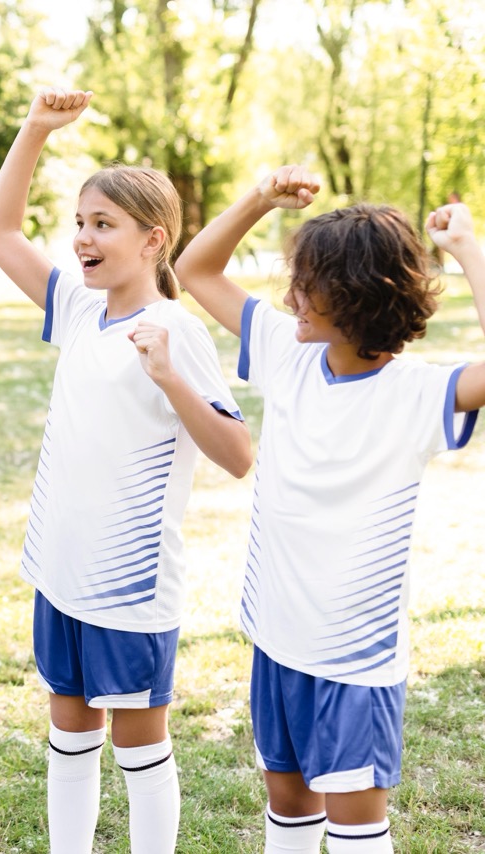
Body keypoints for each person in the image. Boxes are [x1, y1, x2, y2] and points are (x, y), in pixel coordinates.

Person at [173, 166, 485, 853]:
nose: (290, 297)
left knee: (353, 826)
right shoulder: (288, 350)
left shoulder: (414, 392)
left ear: (355, 296)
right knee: (287, 804)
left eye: (306, 284)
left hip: (354, 657)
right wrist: (260, 197)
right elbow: (195, 267)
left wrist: (466, 248)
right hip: (277, 634)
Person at [0, 88, 252, 854]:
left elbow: (238, 455)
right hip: (59, 569)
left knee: (138, 746)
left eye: (103, 226)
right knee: (69, 734)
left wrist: (170, 379)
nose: (83, 240)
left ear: (152, 239)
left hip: (129, 589)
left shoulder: (175, 329)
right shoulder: (78, 307)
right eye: (79, 224)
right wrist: (34, 128)